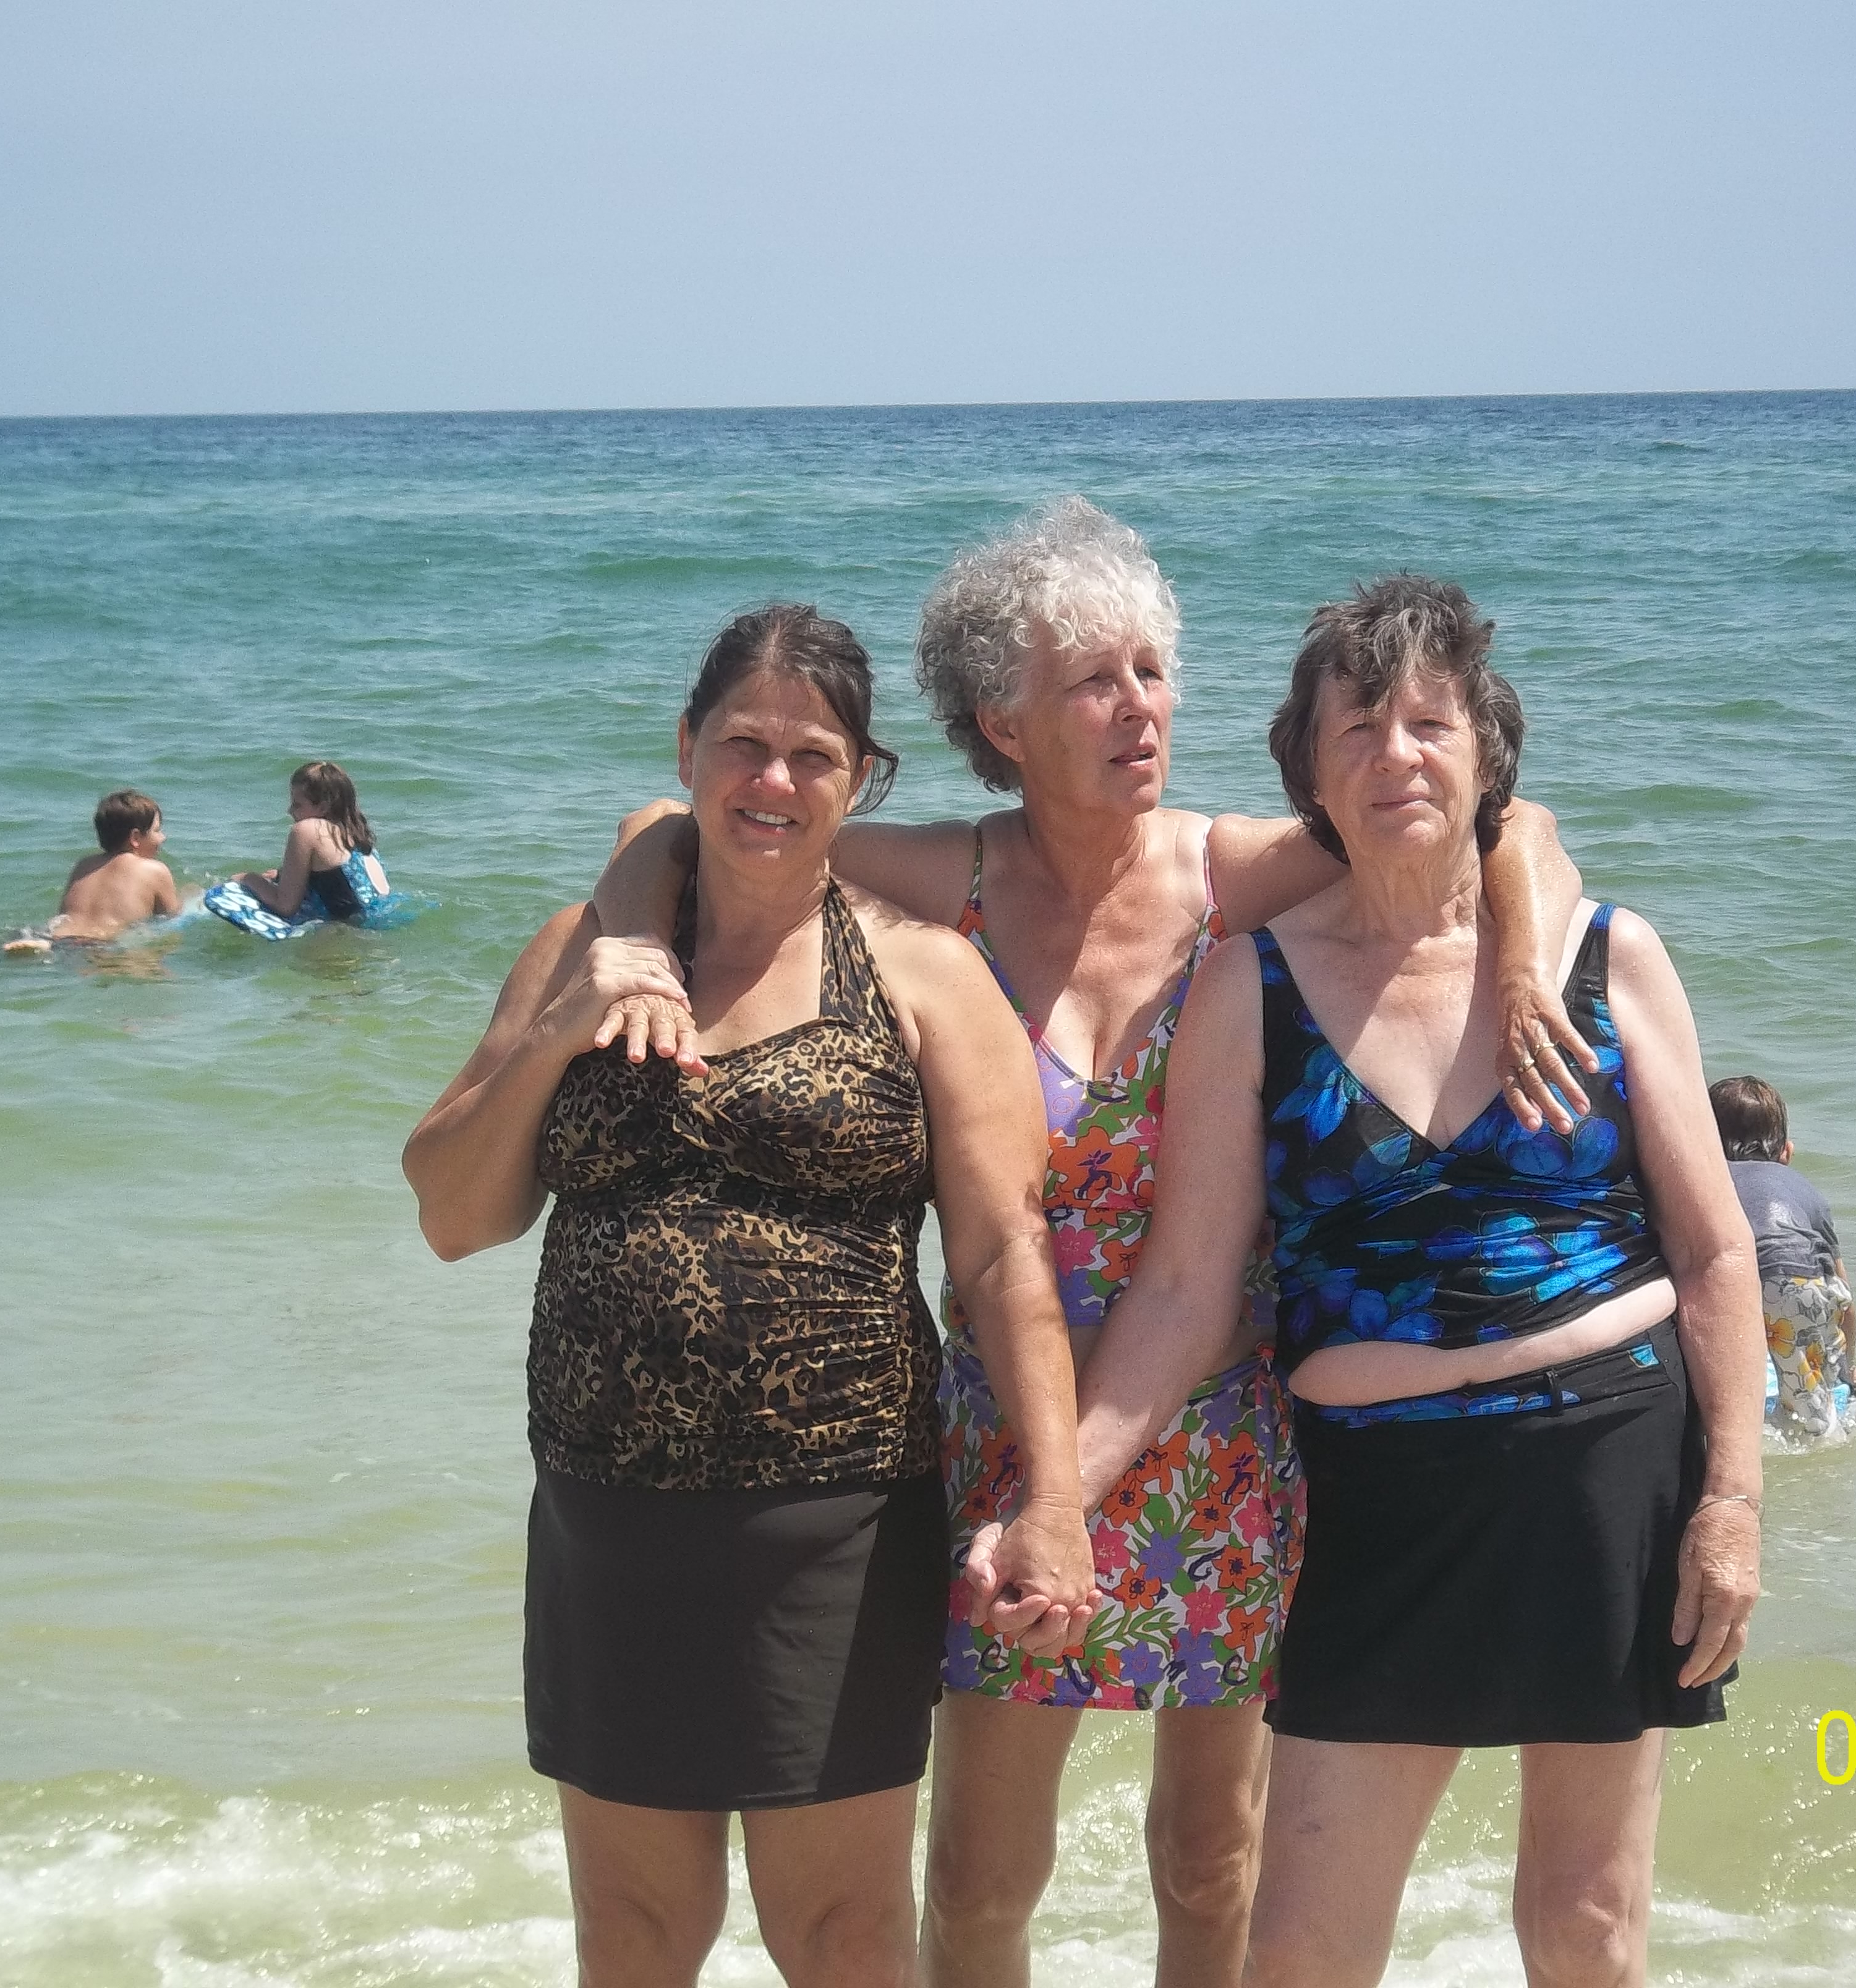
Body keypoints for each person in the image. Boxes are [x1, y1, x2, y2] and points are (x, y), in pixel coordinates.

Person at [587, 501, 1593, 1988]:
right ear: (1002, 721)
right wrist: (626, 940)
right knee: (981, 1874)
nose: (1140, 708)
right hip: (1009, 1423)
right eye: (1093, 681)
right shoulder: (945, 883)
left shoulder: (1230, 874)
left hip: (1224, 1424)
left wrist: (1519, 976)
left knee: (1208, 1852)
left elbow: (1509, 825)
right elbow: (673, 831)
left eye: (1152, 671)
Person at [1034, 576, 1764, 1988]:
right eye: (1356, 727)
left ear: (1487, 753)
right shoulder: (1248, 985)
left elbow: (1715, 1250)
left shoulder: (1603, 956)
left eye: (1430, 723)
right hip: (1376, 1497)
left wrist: (1729, 1501)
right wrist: (1058, 1497)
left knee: (1585, 1929)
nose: (1395, 755)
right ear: (1306, 774)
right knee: (1299, 1946)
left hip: (1605, 1467)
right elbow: (1183, 1291)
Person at [402, 605, 1094, 1988]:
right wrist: (564, 1022)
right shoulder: (582, 950)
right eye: (742, 744)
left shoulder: (921, 971)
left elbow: (1004, 1258)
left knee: (840, 1937)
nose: (771, 781)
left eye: (812, 755)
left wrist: (1056, 1502)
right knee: (635, 1937)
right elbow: (454, 1214)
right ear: (687, 748)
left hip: (833, 1519)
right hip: (607, 1511)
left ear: (861, 781)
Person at [1711, 1074, 1856, 1437]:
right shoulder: (1808, 1193)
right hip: (1801, 1289)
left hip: (1732, 1284)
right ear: (1787, 1152)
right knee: (1814, 1412)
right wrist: (1849, 1368)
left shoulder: (1708, 1180)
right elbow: (1843, 1295)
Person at [0, 786, 183, 956]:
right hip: (86, 946)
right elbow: (173, 919)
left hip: (49, 932)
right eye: (158, 830)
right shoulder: (155, 871)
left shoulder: (83, 865)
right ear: (135, 837)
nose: (163, 838)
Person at [224, 760, 396, 924]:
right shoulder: (359, 839)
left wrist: (248, 878)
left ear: (323, 807)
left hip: (347, 933)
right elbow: (341, 882)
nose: (289, 811)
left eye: (297, 804)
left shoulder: (308, 829)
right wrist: (283, 875)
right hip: (385, 923)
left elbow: (285, 907)